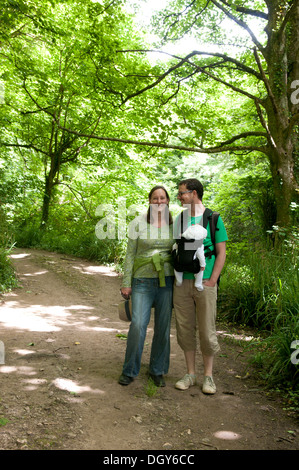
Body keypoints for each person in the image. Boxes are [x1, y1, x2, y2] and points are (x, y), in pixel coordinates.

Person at [173, 178, 227, 394]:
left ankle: (208, 377)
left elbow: (221, 252)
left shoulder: (213, 218)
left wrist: (213, 279)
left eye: (182, 193)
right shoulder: (180, 218)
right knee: (184, 329)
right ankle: (190, 374)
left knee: (206, 330)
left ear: (194, 193)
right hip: (182, 282)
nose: (179, 197)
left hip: (205, 283)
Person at [118, 185, 175, 387]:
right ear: (149, 201)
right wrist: (126, 283)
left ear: (167, 201)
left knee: (163, 327)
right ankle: (129, 370)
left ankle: (157, 370)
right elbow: (130, 255)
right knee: (138, 325)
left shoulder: (175, 223)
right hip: (141, 281)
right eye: (155, 198)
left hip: (167, 281)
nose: (159, 202)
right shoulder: (137, 223)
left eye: (162, 198)